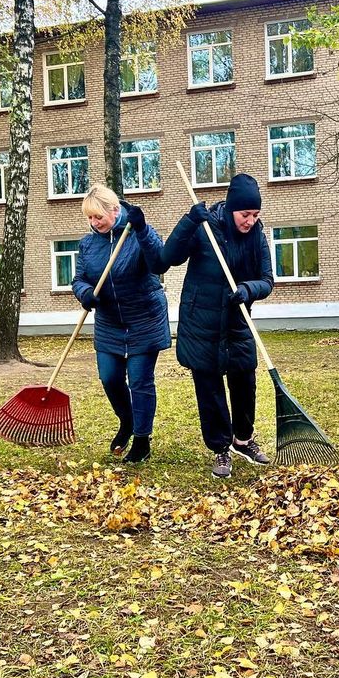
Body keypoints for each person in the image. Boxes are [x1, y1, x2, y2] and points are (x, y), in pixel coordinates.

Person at [159, 173, 274, 479]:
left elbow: (267, 280)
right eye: (245, 214)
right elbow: (165, 259)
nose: (250, 220)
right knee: (209, 389)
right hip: (202, 322)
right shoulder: (204, 227)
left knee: (244, 381)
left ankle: (243, 439)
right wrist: (189, 222)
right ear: (232, 208)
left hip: (238, 321)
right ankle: (221, 449)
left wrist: (249, 290)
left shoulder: (257, 236)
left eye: (255, 214)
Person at [72, 184, 171, 464]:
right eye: (89, 218)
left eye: (98, 217)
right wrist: (85, 294)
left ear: (114, 210)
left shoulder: (136, 233)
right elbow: (80, 279)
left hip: (144, 319)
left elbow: (159, 262)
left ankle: (142, 440)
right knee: (110, 377)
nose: (94, 223)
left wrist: (143, 229)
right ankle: (126, 421)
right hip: (110, 322)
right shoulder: (89, 243)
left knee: (139, 380)